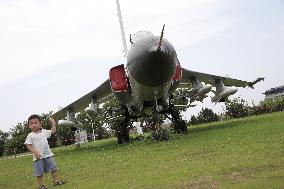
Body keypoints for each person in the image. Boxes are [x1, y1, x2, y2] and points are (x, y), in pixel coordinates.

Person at [25, 114, 65, 189]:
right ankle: (41, 186)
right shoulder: (30, 135)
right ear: (29, 125)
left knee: (54, 168)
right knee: (39, 173)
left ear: (40, 124)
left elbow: (53, 131)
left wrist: (53, 123)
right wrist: (35, 152)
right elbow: (28, 145)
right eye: (31, 123)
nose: (34, 125)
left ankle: (57, 181)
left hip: (48, 155)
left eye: (36, 123)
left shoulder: (44, 132)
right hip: (38, 158)